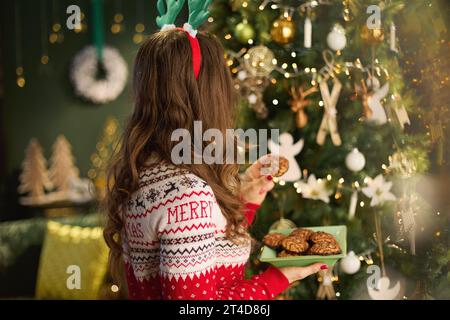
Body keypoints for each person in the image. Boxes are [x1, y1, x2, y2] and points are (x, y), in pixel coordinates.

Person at [104, 28, 327, 300]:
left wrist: (245, 201)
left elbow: (203, 251)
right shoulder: (186, 194)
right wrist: (277, 279)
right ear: (209, 93)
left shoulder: (146, 170)